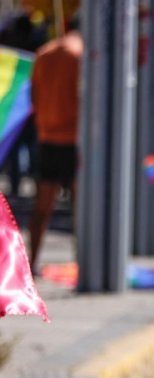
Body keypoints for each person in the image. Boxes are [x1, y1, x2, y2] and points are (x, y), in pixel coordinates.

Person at [27, 18, 82, 274]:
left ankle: (32, 261)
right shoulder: (81, 54)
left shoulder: (44, 53)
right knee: (79, 207)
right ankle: (83, 263)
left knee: (42, 206)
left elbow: (33, 96)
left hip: (48, 136)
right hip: (74, 140)